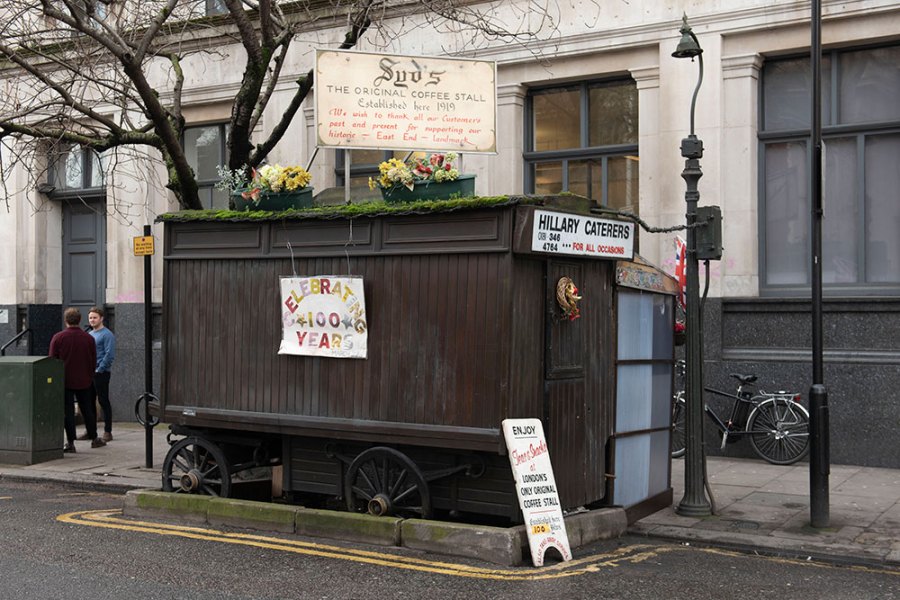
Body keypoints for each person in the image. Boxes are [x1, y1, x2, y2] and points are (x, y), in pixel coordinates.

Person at [49, 307, 106, 453]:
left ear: (66, 320)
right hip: (84, 380)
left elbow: (52, 361)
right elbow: (93, 360)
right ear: (80, 320)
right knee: (88, 410)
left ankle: (70, 442)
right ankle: (94, 438)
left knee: (68, 411)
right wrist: (89, 374)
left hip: (65, 381)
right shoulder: (88, 338)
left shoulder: (58, 337)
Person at [81, 306, 115, 442]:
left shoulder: (107, 335)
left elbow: (109, 354)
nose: (92, 320)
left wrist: (99, 369)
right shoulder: (89, 334)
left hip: (101, 373)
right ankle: (91, 431)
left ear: (101, 318)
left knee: (103, 401)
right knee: (89, 403)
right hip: (89, 373)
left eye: (95, 317)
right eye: (90, 318)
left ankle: (108, 431)